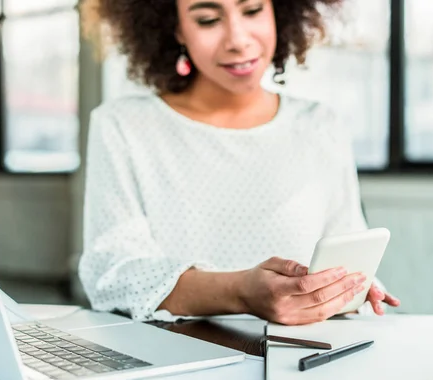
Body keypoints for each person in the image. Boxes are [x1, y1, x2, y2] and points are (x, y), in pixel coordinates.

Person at [78, 0, 400, 325]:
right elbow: (111, 276)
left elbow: (349, 254)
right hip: (168, 361)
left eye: (252, 11)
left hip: (304, 358)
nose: (238, 40)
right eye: (208, 20)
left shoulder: (321, 127)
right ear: (174, 27)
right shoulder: (123, 126)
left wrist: (349, 290)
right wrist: (240, 292)